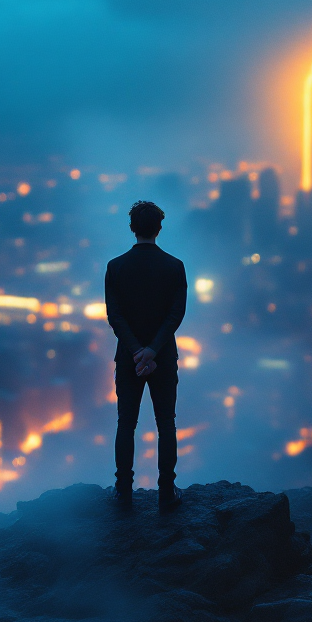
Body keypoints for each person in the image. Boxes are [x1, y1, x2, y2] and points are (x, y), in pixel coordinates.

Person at [105, 200, 187, 510]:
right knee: (166, 423)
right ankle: (166, 492)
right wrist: (153, 350)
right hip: (163, 357)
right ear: (159, 228)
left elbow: (115, 316)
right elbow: (175, 314)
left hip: (128, 358)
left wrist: (137, 351)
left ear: (132, 228)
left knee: (127, 423)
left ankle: (123, 492)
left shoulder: (116, 267)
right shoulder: (174, 266)